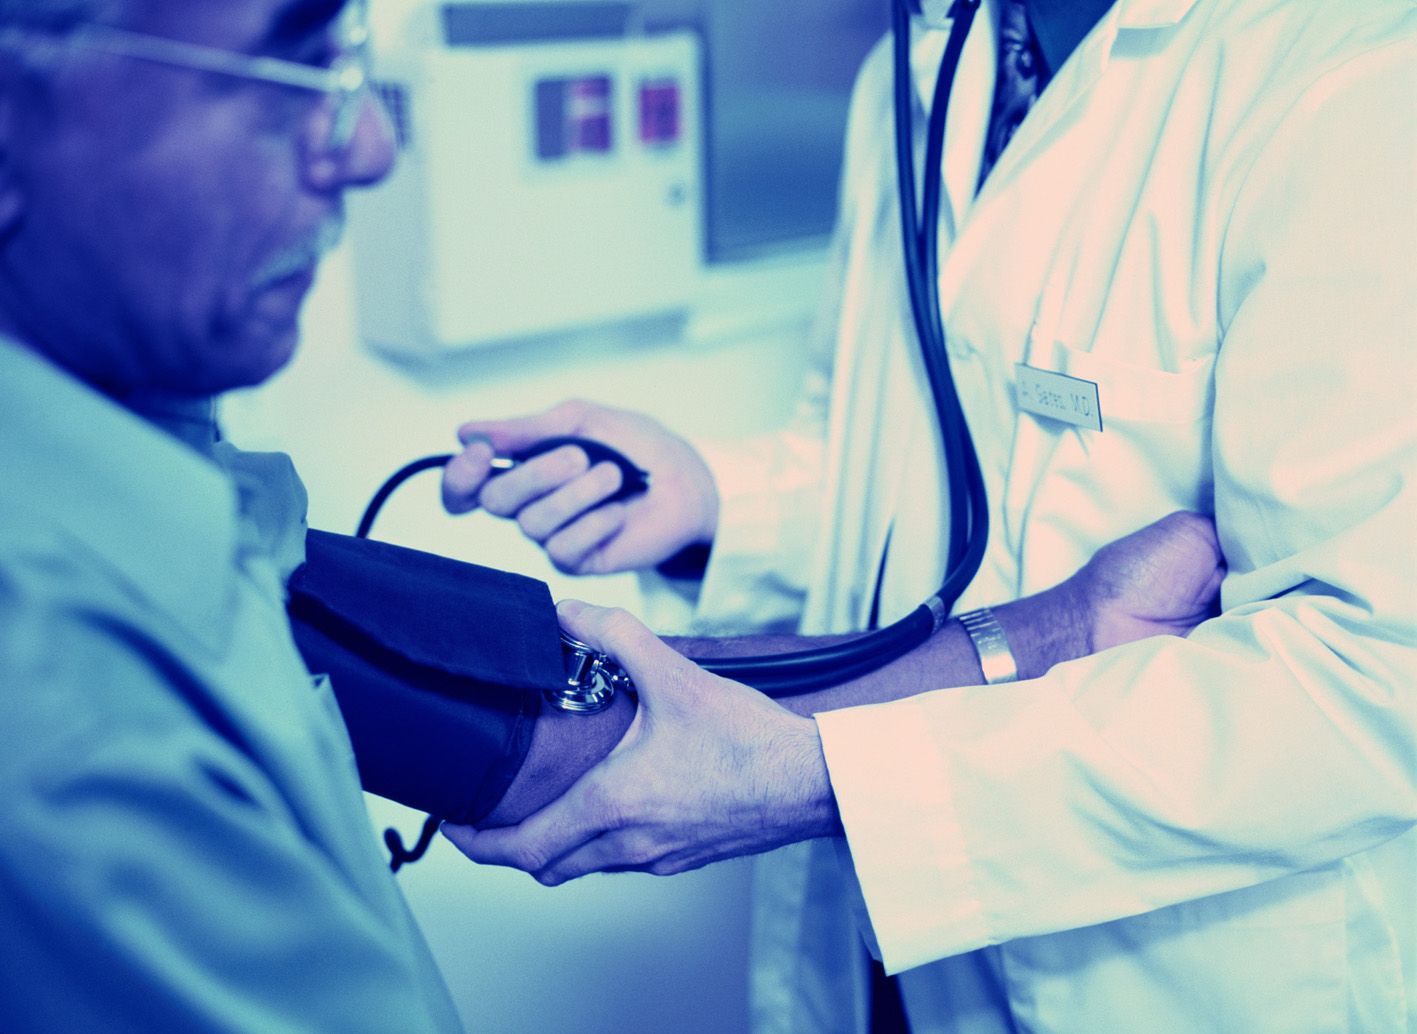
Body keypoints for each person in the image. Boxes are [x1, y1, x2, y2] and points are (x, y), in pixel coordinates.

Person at [0, 0, 1230, 1029]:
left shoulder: (159, 491)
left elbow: (509, 702)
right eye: (294, 70)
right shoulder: (68, 708)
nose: (370, 146)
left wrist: (713, 505)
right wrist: (1030, 641)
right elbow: (547, 728)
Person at [439, 0, 1417, 1031]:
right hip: (889, 962)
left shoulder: (1353, 75)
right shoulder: (914, 67)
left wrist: (831, 781)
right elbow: (903, 467)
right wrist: (718, 508)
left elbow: (1370, 679)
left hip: (1165, 977)